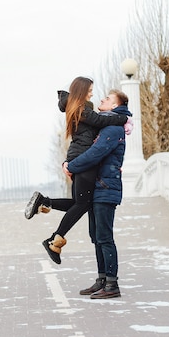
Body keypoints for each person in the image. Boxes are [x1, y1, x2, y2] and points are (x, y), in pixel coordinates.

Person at [24, 77, 130, 265]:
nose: (92, 93)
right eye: (89, 90)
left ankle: (44, 203)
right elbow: (98, 120)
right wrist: (123, 118)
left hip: (78, 157)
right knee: (82, 204)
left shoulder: (79, 106)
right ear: (81, 90)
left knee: (79, 202)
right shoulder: (80, 108)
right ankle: (54, 239)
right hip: (83, 159)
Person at [63, 89, 130, 299]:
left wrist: (71, 166)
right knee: (96, 236)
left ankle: (112, 285)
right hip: (98, 187)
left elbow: (95, 153)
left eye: (108, 99)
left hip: (106, 188)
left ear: (115, 106)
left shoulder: (113, 128)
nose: (102, 99)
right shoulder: (106, 125)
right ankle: (102, 279)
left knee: (104, 237)